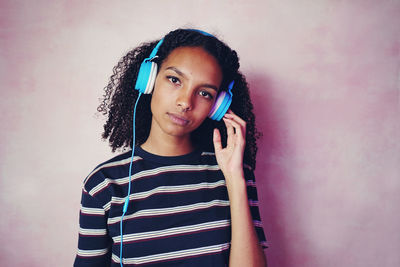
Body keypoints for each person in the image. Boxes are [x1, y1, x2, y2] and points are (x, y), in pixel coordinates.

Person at [74, 28, 267, 267]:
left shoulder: (235, 173)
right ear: (149, 79)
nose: (185, 102)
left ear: (218, 106)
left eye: (205, 93)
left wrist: (235, 180)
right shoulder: (104, 184)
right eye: (175, 80)